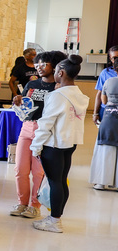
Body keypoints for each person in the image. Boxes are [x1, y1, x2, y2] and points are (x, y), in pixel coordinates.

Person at [30, 55, 89, 233]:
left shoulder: (57, 96)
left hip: (53, 144)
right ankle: (56, 217)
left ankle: (54, 221)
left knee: (55, 181)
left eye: (56, 71)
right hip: (69, 142)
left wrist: (36, 146)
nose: (54, 73)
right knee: (61, 180)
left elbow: (46, 123)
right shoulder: (79, 95)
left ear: (61, 72)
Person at [9, 50, 66, 218]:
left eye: (44, 64)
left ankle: (35, 205)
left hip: (45, 131)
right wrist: (17, 101)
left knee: (38, 172)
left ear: (54, 66)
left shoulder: (59, 87)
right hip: (27, 127)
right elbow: (25, 105)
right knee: (20, 169)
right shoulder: (32, 84)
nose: (39, 67)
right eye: (37, 64)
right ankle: (22, 203)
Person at [90, 72, 118, 191]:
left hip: (109, 116)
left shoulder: (109, 81)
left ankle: (101, 182)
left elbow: (104, 101)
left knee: (105, 149)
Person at [92, 45, 118, 125]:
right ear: (110, 59)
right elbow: (99, 94)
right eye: (114, 58)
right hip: (106, 110)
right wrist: (95, 113)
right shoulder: (105, 73)